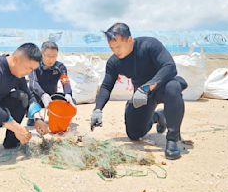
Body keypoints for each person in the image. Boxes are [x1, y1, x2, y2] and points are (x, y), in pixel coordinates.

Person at [90, 23, 188, 160]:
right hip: (141, 97)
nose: (115, 51)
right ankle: (158, 117)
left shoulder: (149, 45)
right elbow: (106, 86)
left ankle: (172, 138)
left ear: (130, 40)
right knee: (134, 134)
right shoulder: (114, 62)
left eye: (118, 47)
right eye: (112, 48)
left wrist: (146, 88)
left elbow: (169, 67)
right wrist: (98, 109)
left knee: (173, 87)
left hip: (162, 88)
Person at [27, 41, 74, 126]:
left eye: (54, 56)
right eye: (48, 56)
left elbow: (65, 82)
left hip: (51, 97)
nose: (51, 59)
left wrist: (68, 94)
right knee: (28, 96)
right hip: (37, 97)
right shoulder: (34, 64)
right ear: (41, 54)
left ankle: (54, 115)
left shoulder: (60, 67)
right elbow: (33, 83)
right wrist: (43, 94)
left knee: (69, 101)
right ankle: (33, 117)